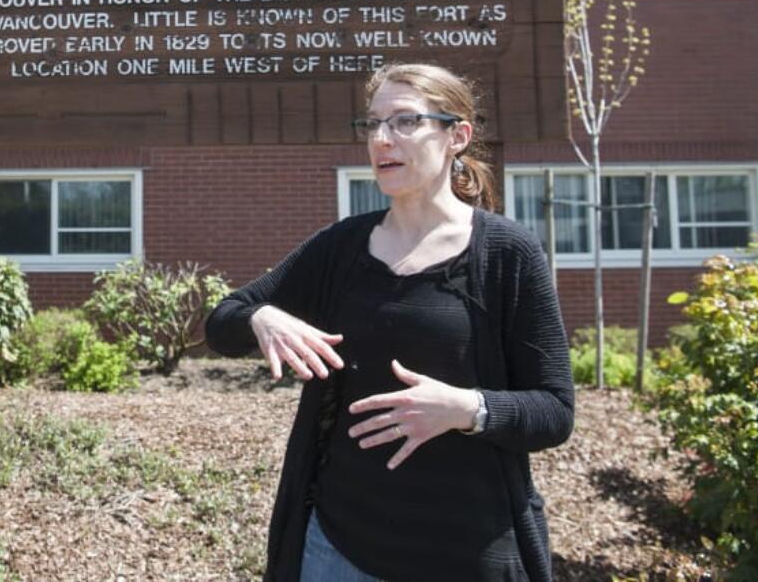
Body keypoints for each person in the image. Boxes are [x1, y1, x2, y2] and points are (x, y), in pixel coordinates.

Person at [205, 62, 574, 582]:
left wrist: (465, 408)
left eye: (404, 122)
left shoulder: (508, 254)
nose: (381, 139)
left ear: (457, 137)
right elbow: (223, 321)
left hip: (467, 557)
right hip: (337, 553)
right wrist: (262, 317)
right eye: (372, 124)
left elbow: (554, 411)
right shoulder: (343, 247)